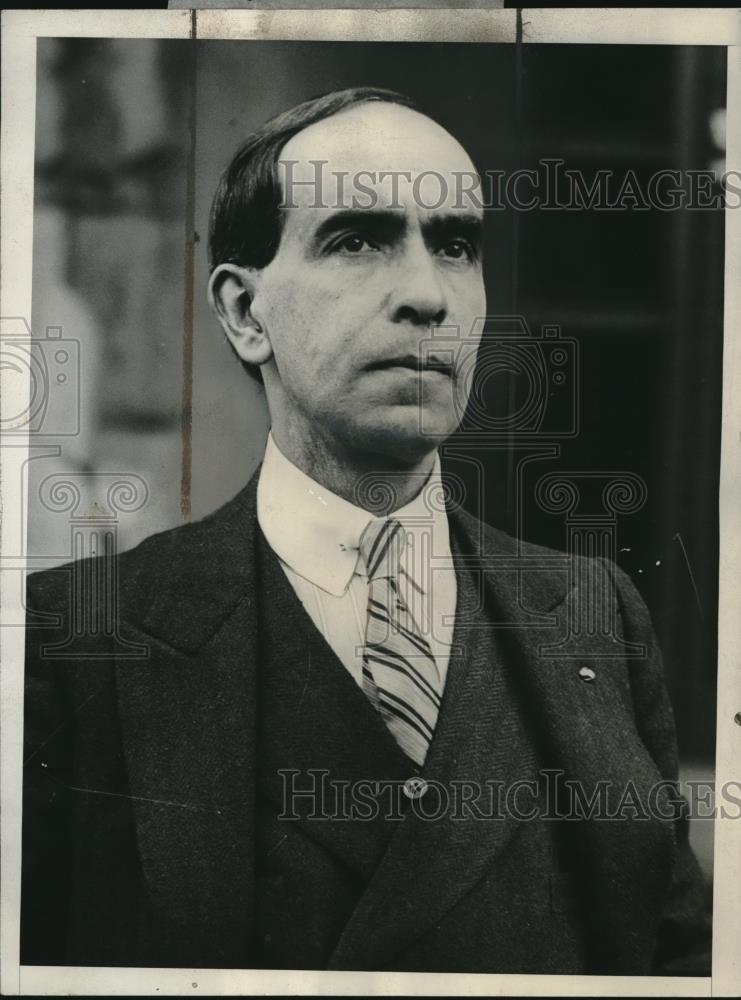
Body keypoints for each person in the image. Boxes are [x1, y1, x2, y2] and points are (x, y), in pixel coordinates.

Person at [21, 87, 710, 974]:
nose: (426, 294)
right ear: (242, 311)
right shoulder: (74, 639)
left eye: (455, 245)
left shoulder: (592, 613)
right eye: (356, 240)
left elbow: (675, 960)